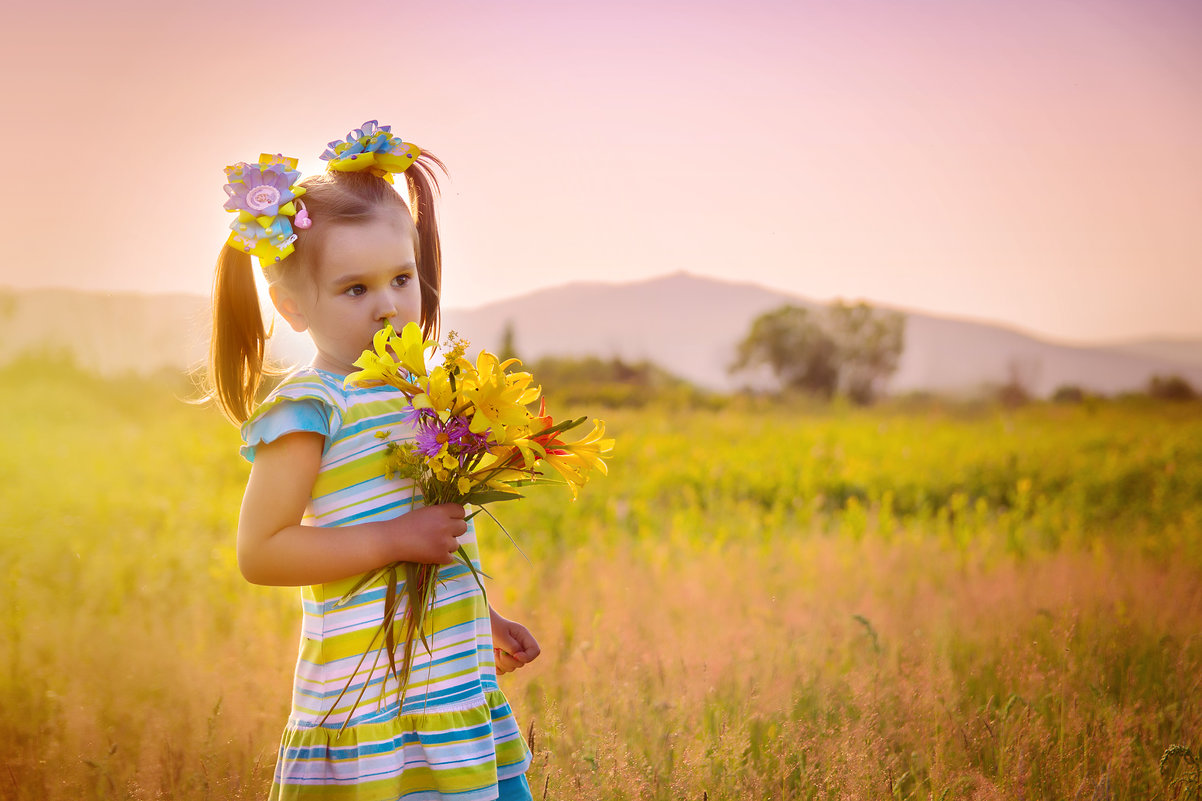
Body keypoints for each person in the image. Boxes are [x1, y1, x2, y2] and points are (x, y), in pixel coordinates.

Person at [207, 121, 539, 800]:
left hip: (448, 691)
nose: (388, 305)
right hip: (370, 712)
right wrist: (393, 540)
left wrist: (483, 620)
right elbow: (261, 551)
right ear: (294, 306)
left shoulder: (428, 392)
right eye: (355, 289)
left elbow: (437, 537)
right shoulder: (310, 407)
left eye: (401, 278)